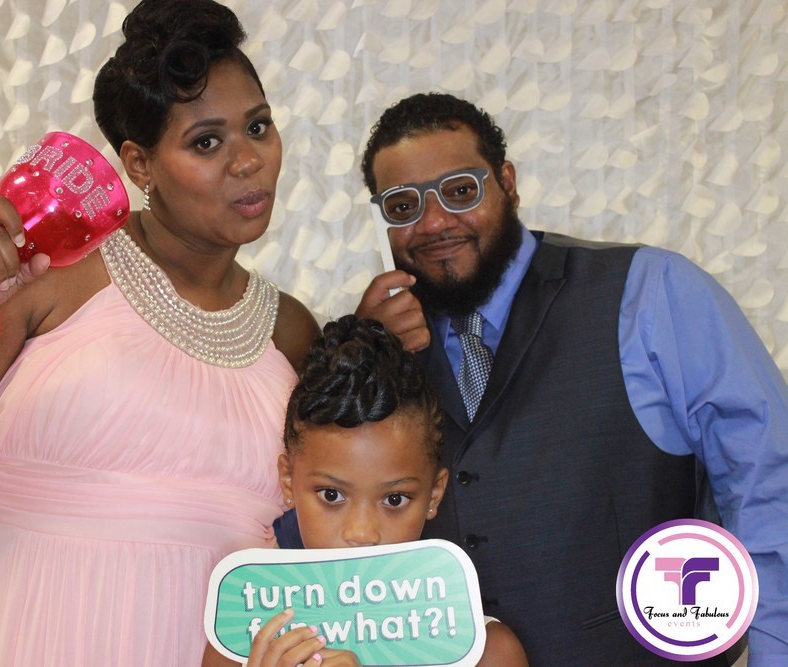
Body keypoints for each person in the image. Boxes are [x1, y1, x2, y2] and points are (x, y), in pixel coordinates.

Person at [0, 1, 320, 664]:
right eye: (206, 141)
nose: (248, 160)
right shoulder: (48, 275)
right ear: (139, 165)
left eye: (258, 126)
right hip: (20, 637)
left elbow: (334, 524)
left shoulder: (291, 331)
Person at [279, 92, 788, 666]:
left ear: (508, 183)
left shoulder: (651, 292)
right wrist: (364, 354)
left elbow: (770, 485)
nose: (435, 221)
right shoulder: (386, 342)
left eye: (460, 191)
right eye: (403, 205)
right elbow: (327, 537)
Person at [204, 316, 528, 667]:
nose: (361, 533)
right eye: (331, 495)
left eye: (394, 499)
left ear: (434, 494)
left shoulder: (485, 653)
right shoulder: (240, 646)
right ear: (288, 482)